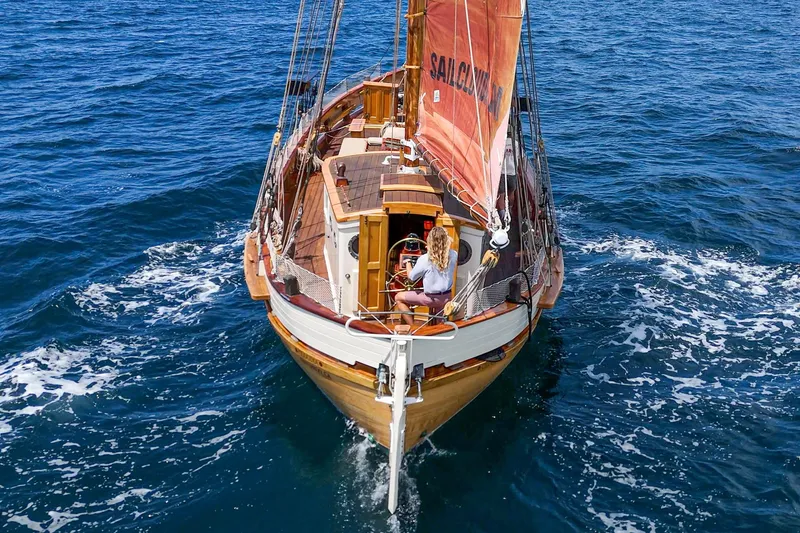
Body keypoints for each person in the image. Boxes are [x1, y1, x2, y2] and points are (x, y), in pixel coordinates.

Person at [394, 226, 457, 326]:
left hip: (430, 299)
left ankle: (413, 327)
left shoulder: (425, 259)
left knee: (398, 297)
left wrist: (408, 263)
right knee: (439, 322)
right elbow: (441, 257)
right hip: (446, 298)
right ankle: (438, 330)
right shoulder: (454, 255)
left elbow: (412, 276)